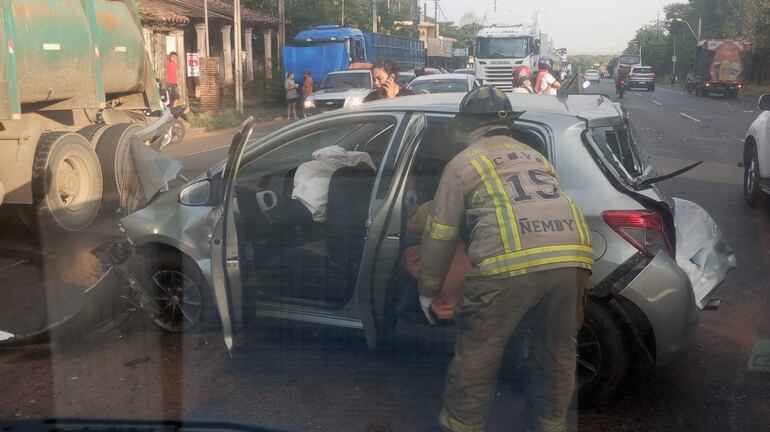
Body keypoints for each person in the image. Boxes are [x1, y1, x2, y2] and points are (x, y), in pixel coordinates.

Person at [419, 85, 593, 432]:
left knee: (479, 355)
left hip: (507, 264)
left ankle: (461, 425)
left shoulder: (462, 163)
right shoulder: (535, 156)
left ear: (466, 125)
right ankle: (549, 424)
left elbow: (440, 234)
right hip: (572, 258)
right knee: (556, 351)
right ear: (506, 124)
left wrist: (428, 290)